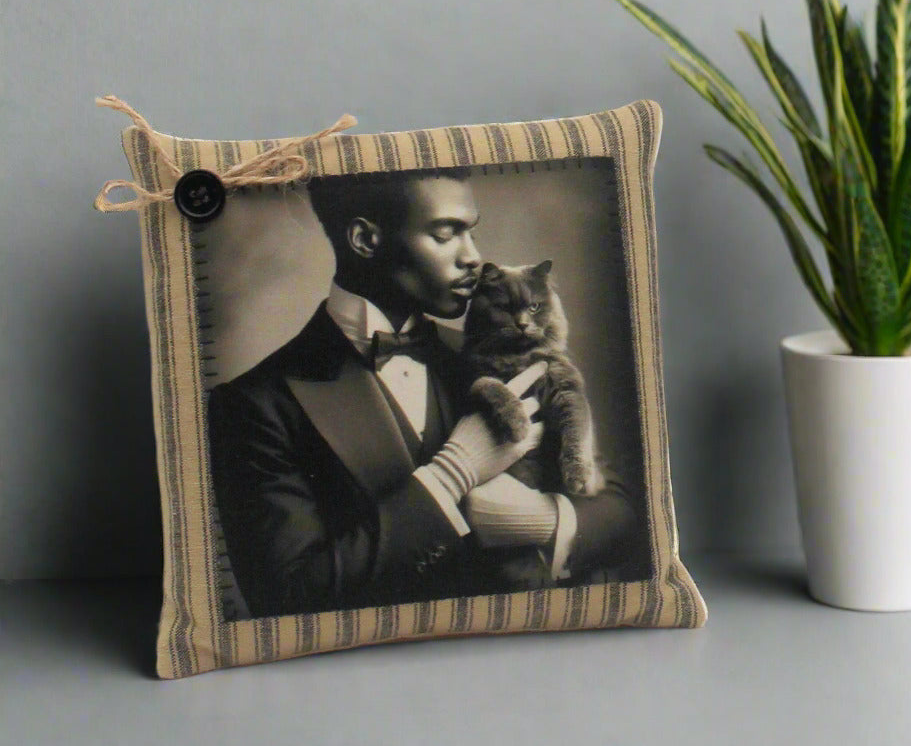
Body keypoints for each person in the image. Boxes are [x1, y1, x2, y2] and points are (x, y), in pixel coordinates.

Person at [207, 168, 641, 619]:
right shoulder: (252, 403)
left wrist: (546, 520)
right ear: (365, 240)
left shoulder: (500, 354)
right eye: (446, 234)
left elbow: (622, 512)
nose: (473, 257)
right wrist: (452, 474)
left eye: (471, 232)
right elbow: (285, 595)